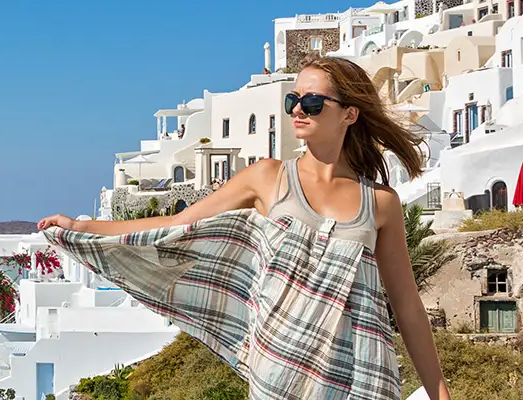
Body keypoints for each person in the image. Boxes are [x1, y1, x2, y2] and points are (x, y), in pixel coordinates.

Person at [37, 56, 449, 400]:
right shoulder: (267, 178)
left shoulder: (379, 203)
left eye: (312, 101)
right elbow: (177, 226)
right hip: (279, 374)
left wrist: (439, 392)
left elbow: (407, 306)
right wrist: (84, 226)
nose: (298, 110)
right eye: (293, 99)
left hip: (362, 376)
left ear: (350, 113)